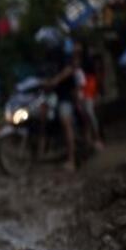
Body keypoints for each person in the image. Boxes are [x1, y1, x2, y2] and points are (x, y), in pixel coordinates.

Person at [44, 39, 80, 171]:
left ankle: (72, 160)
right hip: (54, 98)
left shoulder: (64, 58)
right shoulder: (48, 61)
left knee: (67, 125)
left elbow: (69, 70)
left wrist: (56, 80)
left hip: (66, 97)